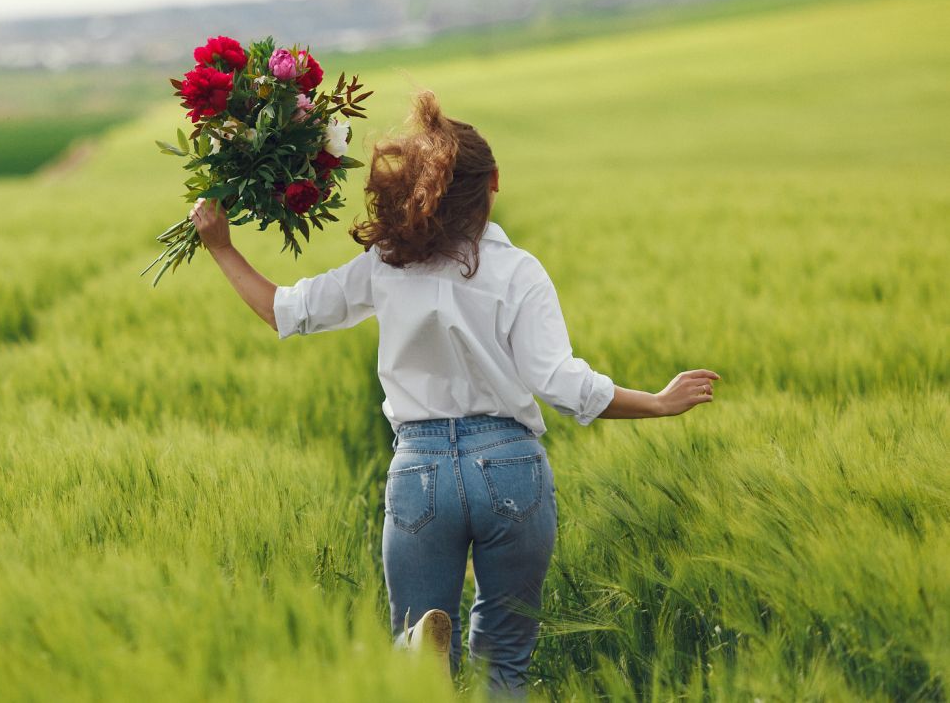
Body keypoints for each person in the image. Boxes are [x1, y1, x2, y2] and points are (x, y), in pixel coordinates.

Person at [187, 90, 719, 698]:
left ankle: (423, 656)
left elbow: (285, 311)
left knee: (412, 657)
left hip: (421, 471)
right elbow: (558, 382)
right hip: (512, 467)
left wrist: (222, 247)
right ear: (493, 182)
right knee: (506, 660)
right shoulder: (519, 271)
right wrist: (654, 400)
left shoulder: (385, 266)